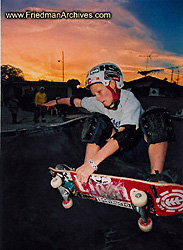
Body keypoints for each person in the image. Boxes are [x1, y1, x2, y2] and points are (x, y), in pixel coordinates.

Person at [44, 63, 174, 184]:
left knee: (156, 114)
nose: (98, 98)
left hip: (142, 150)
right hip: (120, 152)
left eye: (99, 92)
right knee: (95, 119)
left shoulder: (129, 99)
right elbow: (76, 102)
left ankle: (157, 177)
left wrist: (93, 163)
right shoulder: (98, 101)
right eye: (94, 94)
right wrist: (57, 101)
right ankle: (86, 172)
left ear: (112, 84)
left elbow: (127, 133)